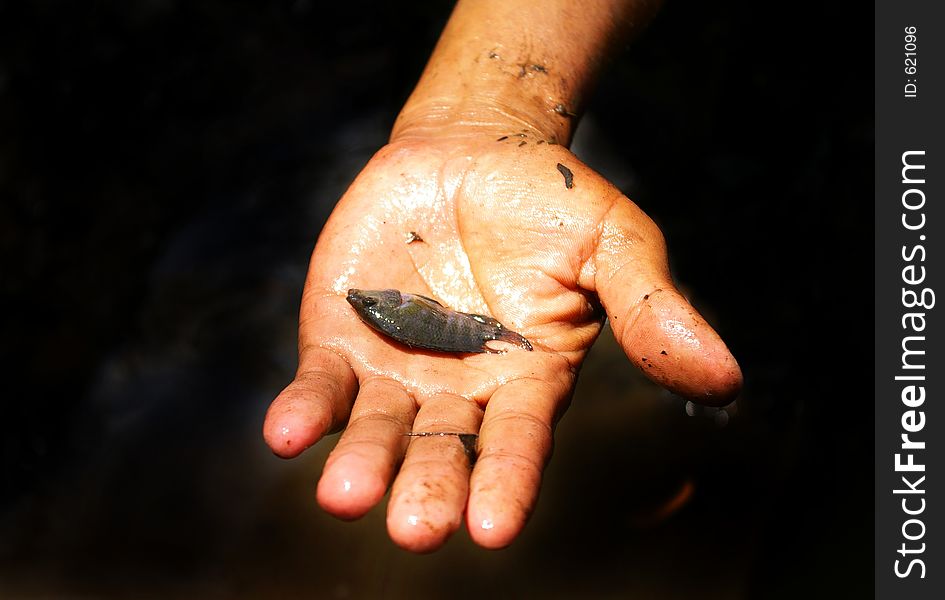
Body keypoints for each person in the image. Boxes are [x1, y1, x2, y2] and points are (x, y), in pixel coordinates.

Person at [263, 0, 741, 553]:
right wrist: (484, 111)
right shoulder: (396, 311)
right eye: (372, 307)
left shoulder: (396, 311)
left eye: (372, 306)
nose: (369, 303)